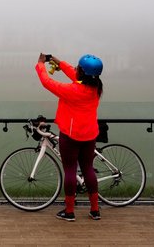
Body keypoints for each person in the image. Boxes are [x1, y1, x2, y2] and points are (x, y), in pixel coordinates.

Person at [35, 53, 104, 221]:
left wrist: (40, 64)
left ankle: (69, 211)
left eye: (78, 67)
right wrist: (58, 61)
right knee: (88, 169)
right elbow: (76, 75)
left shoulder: (73, 90)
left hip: (71, 136)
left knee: (70, 171)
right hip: (89, 135)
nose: (76, 69)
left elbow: (47, 82)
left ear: (81, 71)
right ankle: (95, 210)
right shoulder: (95, 87)